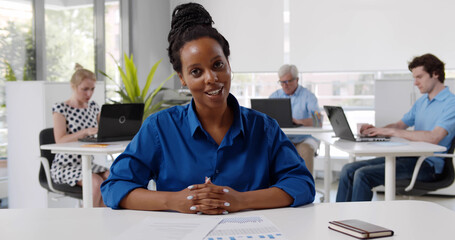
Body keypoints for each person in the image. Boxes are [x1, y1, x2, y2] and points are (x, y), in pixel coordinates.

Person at [101, 2, 315, 214]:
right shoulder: (160, 128)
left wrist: (240, 200)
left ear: (228, 64)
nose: (211, 78)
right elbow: (115, 187)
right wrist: (173, 201)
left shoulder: (264, 128)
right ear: (182, 78)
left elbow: (301, 184)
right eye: (196, 71)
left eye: (217, 65)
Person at [336, 53, 455, 202]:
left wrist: (391, 131)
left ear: (435, 74)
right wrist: (376, 130)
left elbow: (434, 137)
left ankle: (357, 223)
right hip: (408, 157)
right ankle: (338, 218)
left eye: (419, 77)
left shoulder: (451, 103)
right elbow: (400, 125)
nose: (415, 83)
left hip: (428, 166)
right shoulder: (422, 102)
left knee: (362, 174)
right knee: (348, 170)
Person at [52, 64, 109, 207]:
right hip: (65, 166)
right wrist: (84, 131)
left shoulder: (94, 107)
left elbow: (102, 132)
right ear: (73, 86)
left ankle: (99, 217)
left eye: (92, 89)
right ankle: (87, 222)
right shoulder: (61, 108)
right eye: (85, 89)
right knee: (95, 182)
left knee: (113, 178)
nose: (89, 94)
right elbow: (59, 140)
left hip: (88, 163)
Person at [269, 64, 320, 174]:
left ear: (297, 79)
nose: (285, 85)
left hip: (305, 139)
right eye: (282, 82)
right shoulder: (274, 96)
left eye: (288, 81)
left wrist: (298, 121)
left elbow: (318, 120)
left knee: (306, 149)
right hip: (284, 139)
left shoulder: (308, 96)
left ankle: (307, 188)